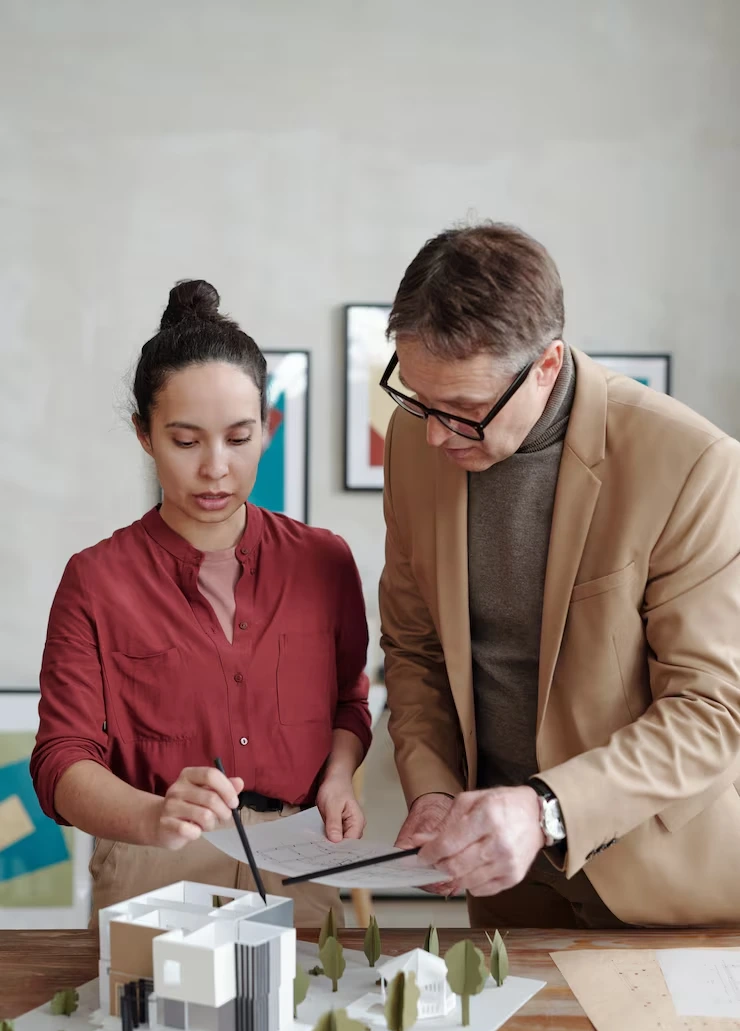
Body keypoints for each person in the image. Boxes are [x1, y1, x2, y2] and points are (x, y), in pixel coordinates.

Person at [379, 222, 740, 928]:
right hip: (502, 880)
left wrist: (546, 809)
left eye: (466, 411)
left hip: (665, 883)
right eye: (419, 400)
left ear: (545, 366)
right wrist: (433, 790)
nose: (435, 435)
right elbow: (413, 647)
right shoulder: (413, 441)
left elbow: (713, 712)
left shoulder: (692, 463)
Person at [31, 280, 371, 927]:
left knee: (315, 1023)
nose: (216, 468)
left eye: (238, 438)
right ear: (145, 434)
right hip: (154, 863)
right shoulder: (95, 580)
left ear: (267, 431)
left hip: (299, 856)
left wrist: (337, 777)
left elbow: (348, 706)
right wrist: (152, 816)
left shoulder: (325, 561)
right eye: (186, 442)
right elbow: (60, 759)